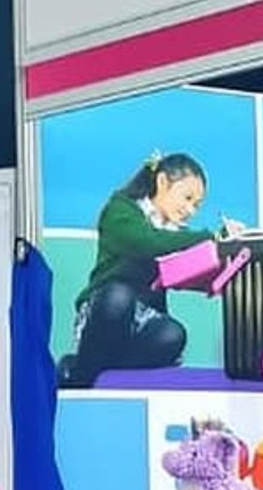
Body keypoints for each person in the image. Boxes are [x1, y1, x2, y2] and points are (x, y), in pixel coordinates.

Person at [63, 152, 235, 386]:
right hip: (105, 311)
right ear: (163, 182)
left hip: (143, 319)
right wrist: (208, 237)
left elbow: (190, 267)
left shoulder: (175, 234)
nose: (191, 210)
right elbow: (147, 243)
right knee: (118, 296)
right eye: (187, 198)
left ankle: (104, 371)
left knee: (173, 334)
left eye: (197, 205)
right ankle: (81, 377)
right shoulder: (120, 210)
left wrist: (227, 248)